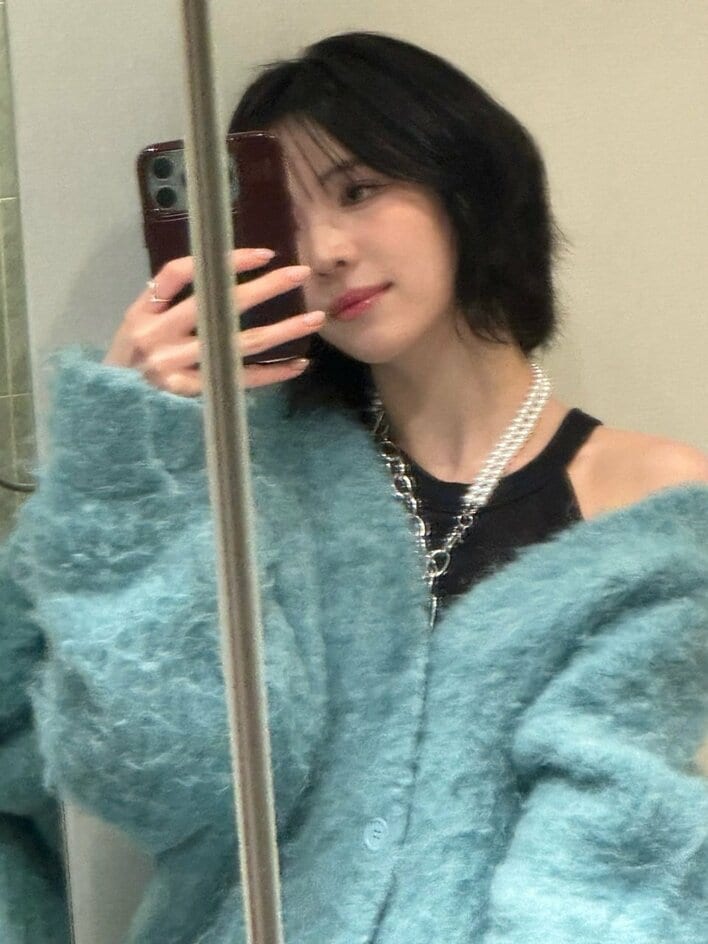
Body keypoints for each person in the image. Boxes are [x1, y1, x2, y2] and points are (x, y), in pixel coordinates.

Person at [1, 31, 707, 944]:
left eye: (359, 190)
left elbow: (611, 847)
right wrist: (129, 464)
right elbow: (163, 782)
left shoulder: (655, 505)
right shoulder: (245, 481)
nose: (326, 250)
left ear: (467, 186)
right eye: (286, 220)